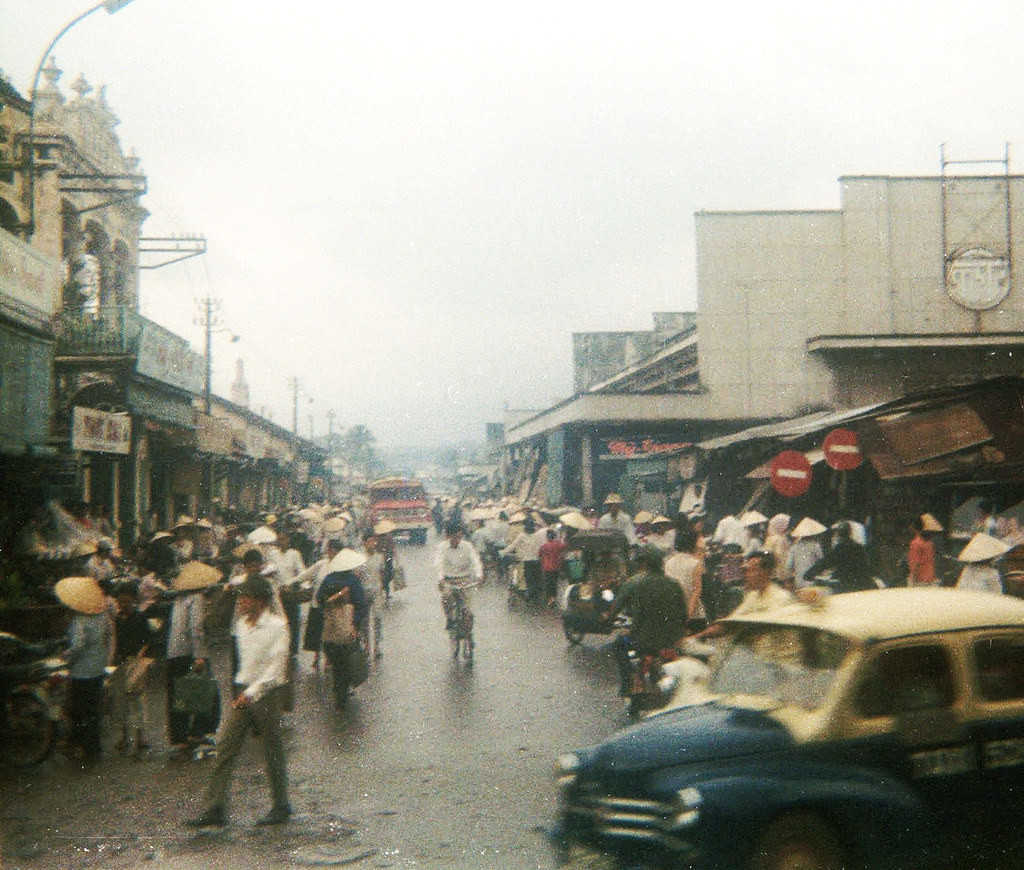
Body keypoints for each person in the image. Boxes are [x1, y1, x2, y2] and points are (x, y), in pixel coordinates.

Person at [186, 575, 291, 828]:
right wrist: (240, 691)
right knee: (225, 746)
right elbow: (239, 659)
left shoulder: (278, 626)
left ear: (262, 600)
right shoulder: (241, 626)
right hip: (244, 691)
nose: (241, 602)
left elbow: (276, 669)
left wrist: (251, 692)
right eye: (241, 597)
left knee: (272, 751)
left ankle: (281, 804)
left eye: (246, 597)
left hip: (266, 693)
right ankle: (215, 807)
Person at [605, 546, 687, 695]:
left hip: (642, 639)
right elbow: (684, 615)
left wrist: (608, 620)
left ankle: (628, 683)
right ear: (661, 564)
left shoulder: (634, 583)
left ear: (644, 564)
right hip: (671, 640)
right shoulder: (674, 584)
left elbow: (616, 607)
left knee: (618, 645)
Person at [57, 575, 113, 763]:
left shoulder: (79, 620)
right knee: (93, 708)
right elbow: (107, 638)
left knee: (80, 709)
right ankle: (93, 745)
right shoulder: (103, 616)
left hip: (82, 670)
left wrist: (67, 655)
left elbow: (79, 645)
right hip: (98, 666)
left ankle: (84, 745)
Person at [165, 561, 218, 753]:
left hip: (175, 652)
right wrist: (200, 655)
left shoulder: (180, 599)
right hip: (188, 652)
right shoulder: (196, 599)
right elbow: (195, 629)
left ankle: (185, 736)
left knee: (180, 694)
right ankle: (194, 733)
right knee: (202, 692)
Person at [696, 550, 793, 640]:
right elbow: (729, 624)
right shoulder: (752, 596)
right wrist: (697, 636)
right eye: (746, 571)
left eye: (751, 570)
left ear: (764, 572)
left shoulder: (781, 597)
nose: (746, 575)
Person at [317, 549, 369, 710]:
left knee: (336, 662)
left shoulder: (327, 579)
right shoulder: (353, 581)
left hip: (330, 629)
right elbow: (361, 605)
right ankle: (342, 692)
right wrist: (355, 623)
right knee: (347, 662)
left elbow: (319, 600)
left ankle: (338, 687)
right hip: (348, 627)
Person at [111, 583, 152, 755]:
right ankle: (124, 736)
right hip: (120, 663)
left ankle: (140, 736)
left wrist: (140, 656)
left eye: (127, 602)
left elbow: (148, 640)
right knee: (120, 703)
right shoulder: (117, 620)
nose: (123, 605)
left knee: (136, 700)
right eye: (121, 602)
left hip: (136, 662)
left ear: (133, 601)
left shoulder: (140, 618)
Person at [295, 538, 342, 670]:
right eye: (330, 549)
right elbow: (306, 575)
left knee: (329, 633)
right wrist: (292, 581)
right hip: (317, 603)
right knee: (316, 632)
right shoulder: (321, 564)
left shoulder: (341, 566)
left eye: (335, 550)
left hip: (332, 605)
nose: (332, 552)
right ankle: (316, 658)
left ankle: (328, 659)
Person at [805, 521, 873, 594]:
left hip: (847, 584)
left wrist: (809, 574)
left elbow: (825, 562)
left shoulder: (841, 548)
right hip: (864, 584)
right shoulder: (859, 547)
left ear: (838, 535)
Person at [437, 522, 483, 627]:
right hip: (448, 580)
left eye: (459, 537)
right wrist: (440, 579)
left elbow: (475, 560)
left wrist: (479, 575)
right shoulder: (441, 548)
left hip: (465, 579)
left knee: (467, 608)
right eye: (454, 537)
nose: (457, 540)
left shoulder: (468, 546)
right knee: (446, 598)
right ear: (448, 536)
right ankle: (449, 618)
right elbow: (439, 564)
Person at [663, 523, 706, 634]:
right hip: (694, 615)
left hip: (674, 613)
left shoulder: (669, 562)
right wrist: (689, 614)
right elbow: (697, 590)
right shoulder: (695, 563)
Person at [501, 515, 544, 604]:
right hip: (537, 561)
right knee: (535, 579)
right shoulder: (537, 535)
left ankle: (529, 596)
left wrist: (503, 552)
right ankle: (534, 597)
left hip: (527, 561)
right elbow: (541, 547)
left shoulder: (522, 535)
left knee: (529, 580)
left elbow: (512, 546)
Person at [783, 518, 828, 589]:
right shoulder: (815, 545)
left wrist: (787, 578)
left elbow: (788, 565)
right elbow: (821, 561)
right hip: (813, 581)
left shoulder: (794, 546)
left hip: (799, 581)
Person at [538, 527, 567, 608]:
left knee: (548, 583)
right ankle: (553, 598)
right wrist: (562, 538)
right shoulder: (558, 545)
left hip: (546, 567)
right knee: (554, 583)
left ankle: (549, 599)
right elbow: (565, 546)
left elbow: (539, 554)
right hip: (556, 567)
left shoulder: (544, 546)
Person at [907, 515, 938, 587]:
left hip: (919, 580)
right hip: (930, 578)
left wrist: (912, 581)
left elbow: (915, 564)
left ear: (913, 528)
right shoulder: (929, 542)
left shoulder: (915, 543)